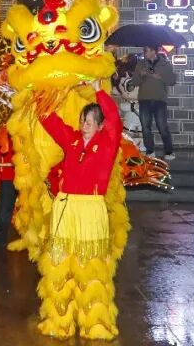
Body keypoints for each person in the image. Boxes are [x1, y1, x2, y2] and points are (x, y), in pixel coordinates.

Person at [37, 86, 122, 340]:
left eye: (90, 122)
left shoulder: (107, 143)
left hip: (90, 209)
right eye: (82, 120)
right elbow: (50, 122)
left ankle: (94, 324)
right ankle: (59, 321)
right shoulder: (72, 140)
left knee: (90, 264)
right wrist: (39, 93)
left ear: (100, 126)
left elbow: (114, 119)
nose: (84, 125)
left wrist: (98, 92)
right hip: (66, 206)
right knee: (60, 262)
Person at [132, 45, 177, 160]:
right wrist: (141, 75)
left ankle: (169, 151)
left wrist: (160, 77)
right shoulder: (140, 64)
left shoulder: (165, 64)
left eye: (146, 51)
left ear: (153, 51)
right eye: (144, 51)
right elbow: (135, 82)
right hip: (144, 100)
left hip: (159, 100)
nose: (144, 53)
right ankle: (150, 151)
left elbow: (172, 81)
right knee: (145, 127)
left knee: (162, 126)